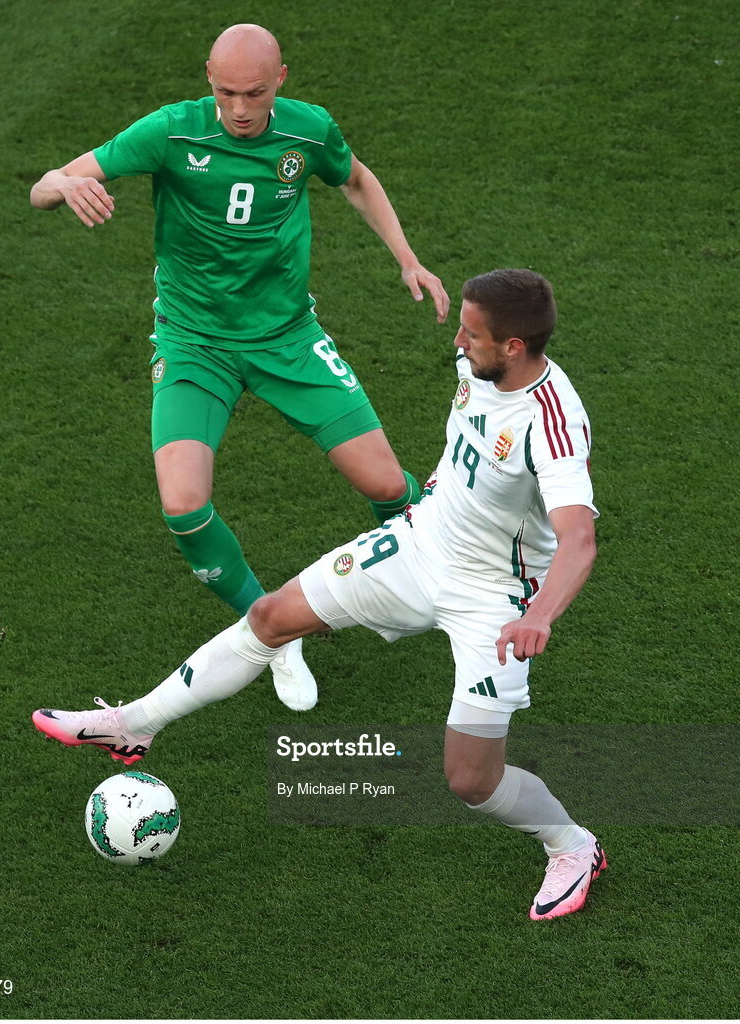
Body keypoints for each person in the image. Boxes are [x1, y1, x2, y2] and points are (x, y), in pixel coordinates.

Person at [33, 268, 607, 921]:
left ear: (512, 346)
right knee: (271, 617)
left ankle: (571, 844)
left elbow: (578, 541)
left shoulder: (552, 425)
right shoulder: (476, 365)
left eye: (472, 333)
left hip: (494, 599)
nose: (458, 339)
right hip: (419, 547)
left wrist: (537, 615)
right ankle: (132, 727)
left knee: (470, 779)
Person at [29, 23, 449, 712]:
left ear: (280, 78)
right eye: (225, 93)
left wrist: (406, 257)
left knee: (387, 486)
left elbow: (357, 180)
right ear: (208, 81)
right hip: (194, 344)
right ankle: (274, 633)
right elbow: (50, 185)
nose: (240, 109)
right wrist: (58, 184)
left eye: (254, 93)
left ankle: (445, 569)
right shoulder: (170, 132)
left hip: (287, 338)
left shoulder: (308, 132)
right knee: (183, 503)